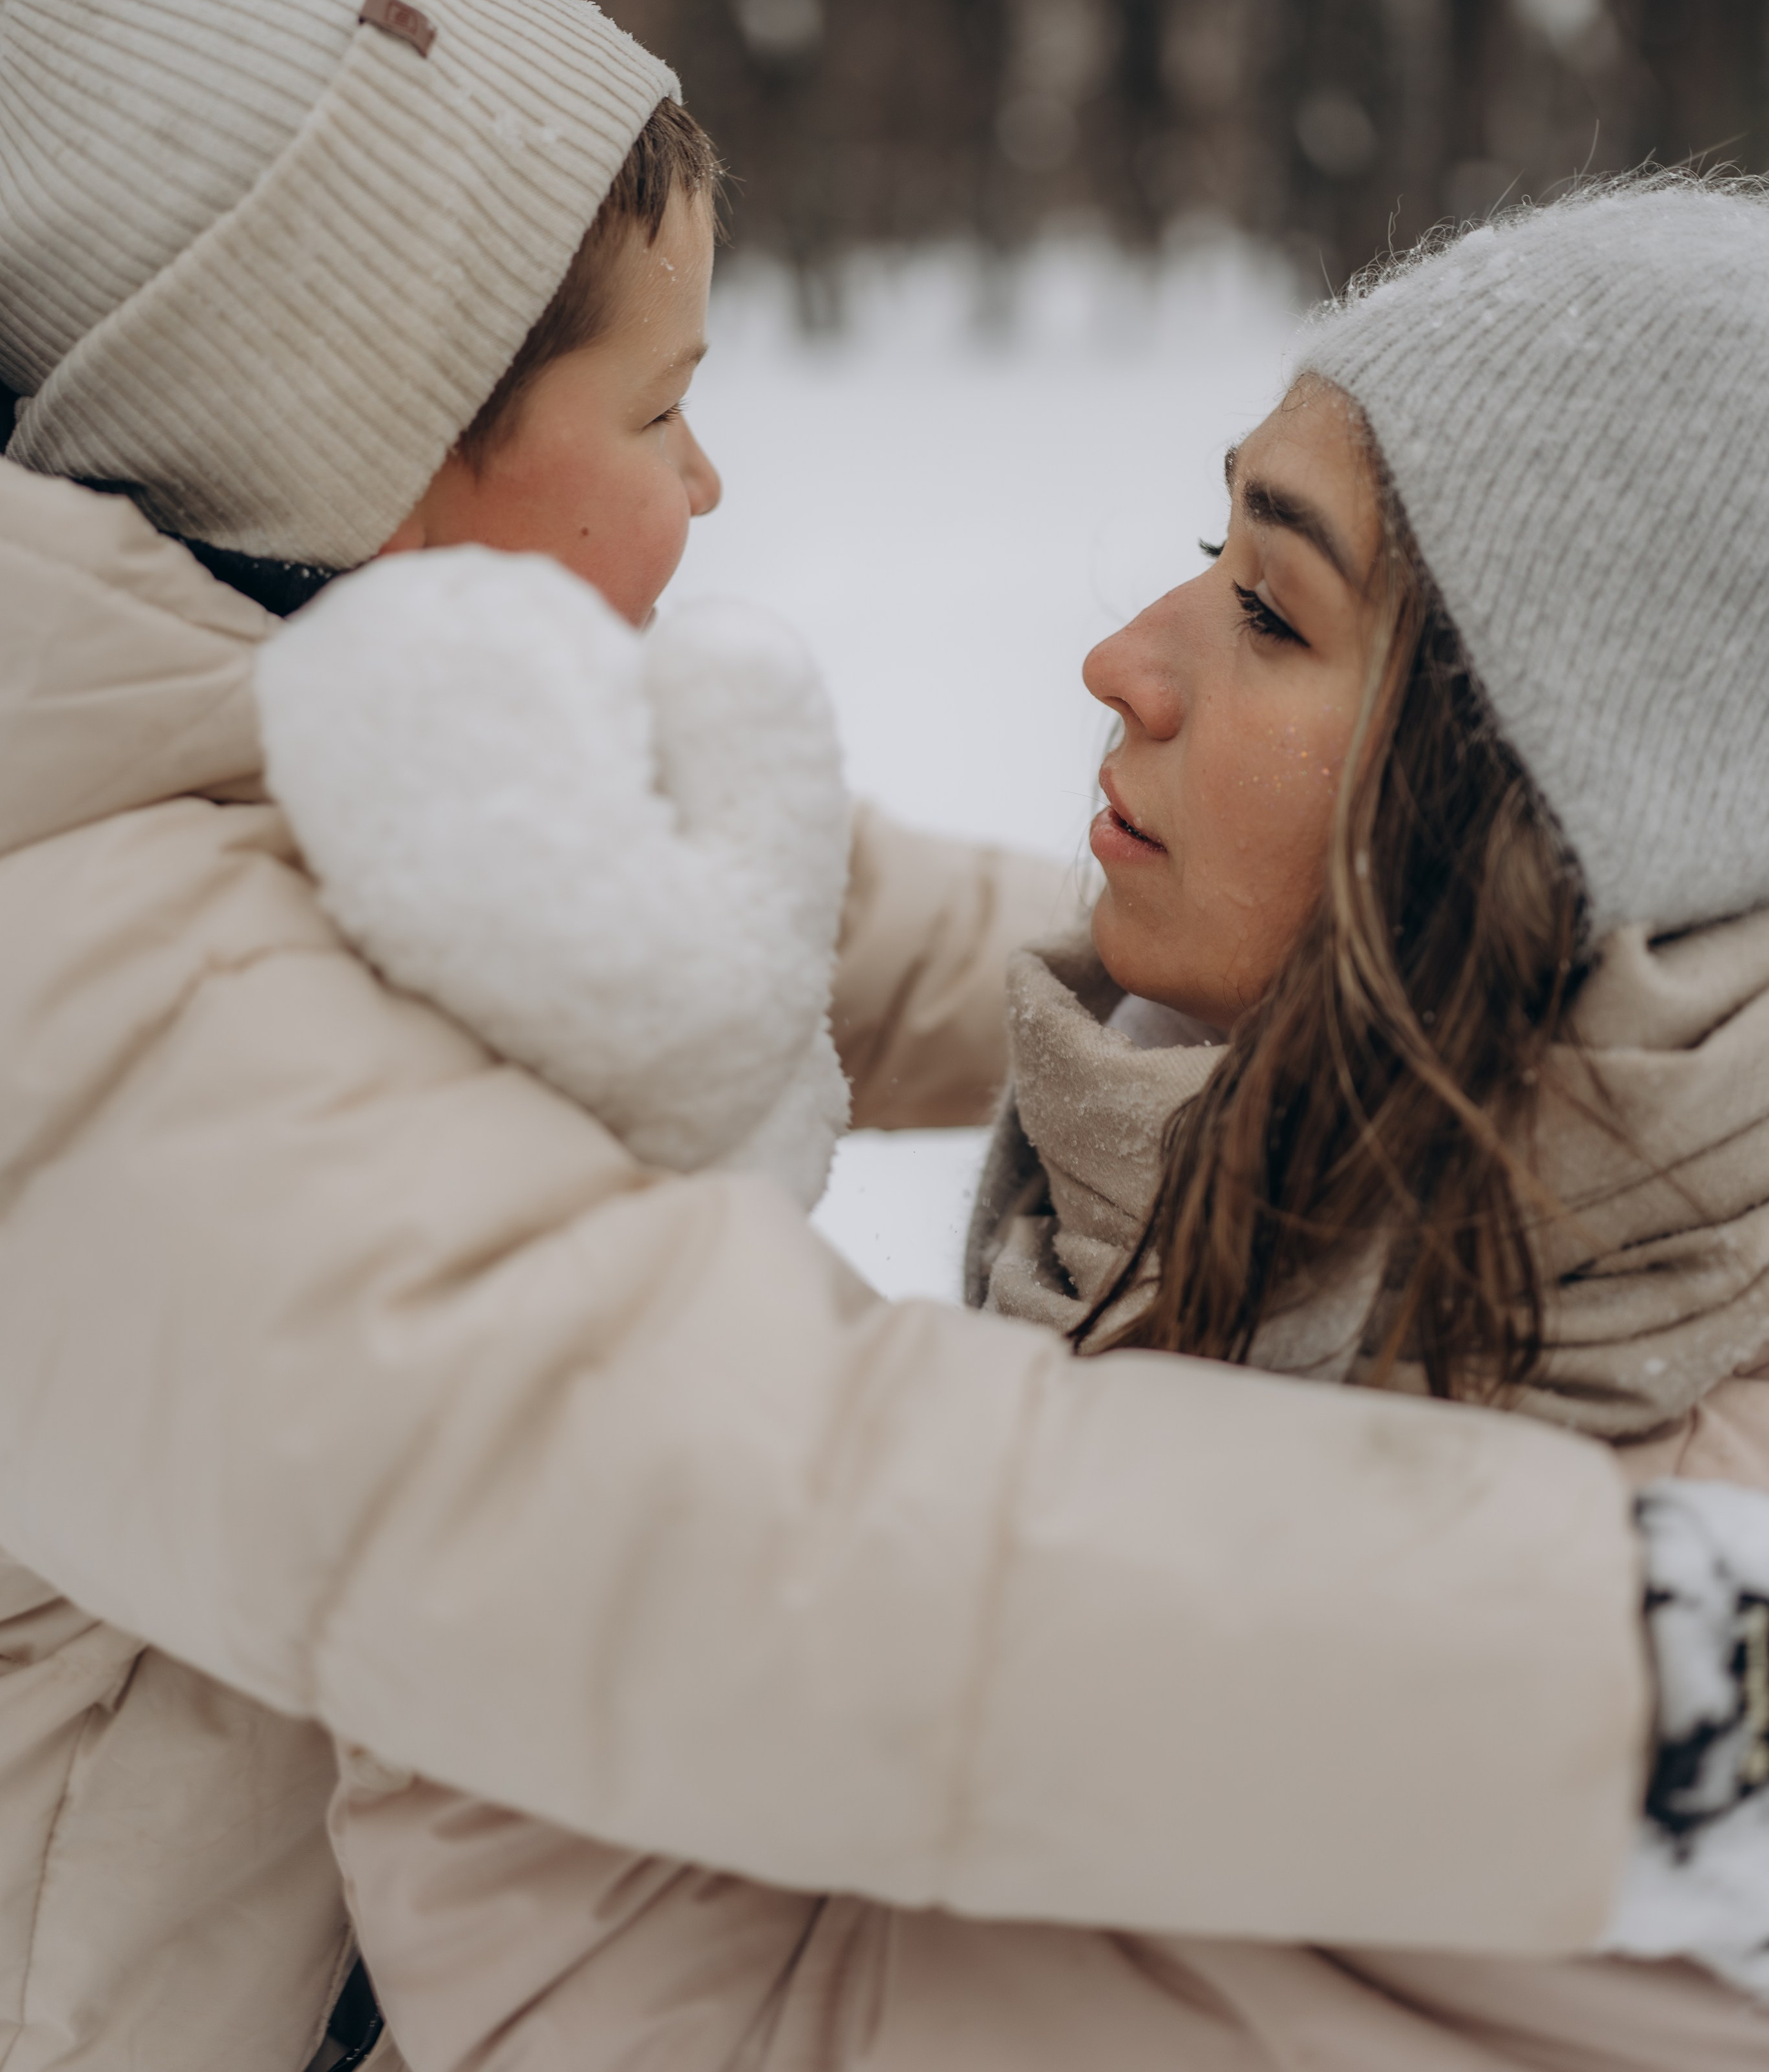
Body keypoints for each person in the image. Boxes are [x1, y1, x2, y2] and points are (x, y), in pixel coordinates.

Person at [0, 0, 1705, 2069]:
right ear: (379, 457)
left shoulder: (311, 756)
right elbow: (787, 1525)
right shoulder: (95, 1006)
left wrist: (1322, 955)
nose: (711, 479)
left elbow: (844, 920)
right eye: (662, 411)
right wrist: (1655, 1674)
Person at [312, 180, 1769, 2071]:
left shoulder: (1645, 1630)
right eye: (1208, 546)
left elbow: (746, 2027)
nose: (1128, 662)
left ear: (1547, 829)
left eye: (1269, 605)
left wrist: (504, 1292)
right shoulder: (1337, 1194)